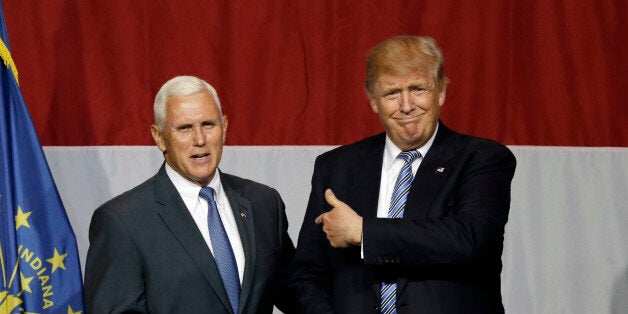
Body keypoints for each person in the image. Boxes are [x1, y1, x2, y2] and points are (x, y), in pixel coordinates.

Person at [289, 36, 516, 313]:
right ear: (373, 100)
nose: (406, 105)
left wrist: (364, 232)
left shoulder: (482, 158)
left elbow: (467, 238)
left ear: (441, 92)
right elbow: (308, 273)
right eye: (392, 93)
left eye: (418, 89)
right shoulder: (336, 167)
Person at [84, 75, 296, 313]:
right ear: (159, 137)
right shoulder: (122, 221)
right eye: (184, 128)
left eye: (208, 124)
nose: (200, 139)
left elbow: (298, 293)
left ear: (224, 127)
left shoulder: (263, 203)